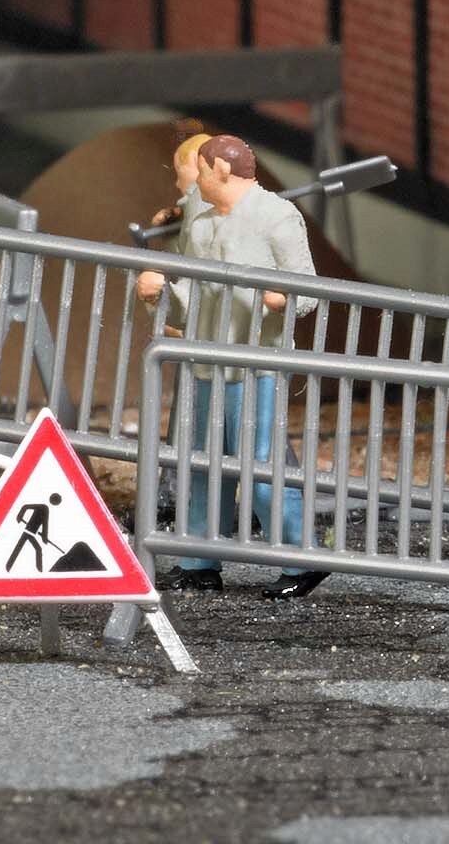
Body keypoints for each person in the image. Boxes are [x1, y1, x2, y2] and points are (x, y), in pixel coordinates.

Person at [136, 134, 330, 602]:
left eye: (199, 173)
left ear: (221, 171)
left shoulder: (277, 216)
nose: (192, 185)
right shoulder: (199, 223)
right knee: (202, 463)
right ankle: (199, 560)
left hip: (256, 362)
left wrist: (283, 299)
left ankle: (301, 555)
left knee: (259, 462)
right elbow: (192, 299)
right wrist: (160, 297)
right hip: (207, 359)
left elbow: (308, 290)